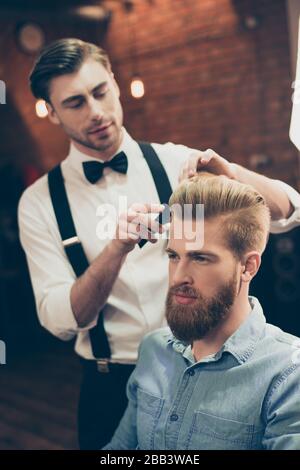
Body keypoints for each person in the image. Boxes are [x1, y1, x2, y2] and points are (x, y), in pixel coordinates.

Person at [18, 38, 300, 449]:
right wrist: (116, 249)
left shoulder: (175, 163)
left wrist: (233, 173)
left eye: (100, 92)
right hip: (109, 383)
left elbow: (289, 210)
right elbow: (61, 320)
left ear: (114, 83)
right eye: (75, 103)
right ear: (53, 112)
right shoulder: (39, 203)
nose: (96, 112)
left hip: (206, 369)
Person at [104, 172, 300, 450]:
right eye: (173, 256)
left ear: (248, 267)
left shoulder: (288, 375)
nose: (178, 277)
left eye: (200, 258)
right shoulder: (154, 348)